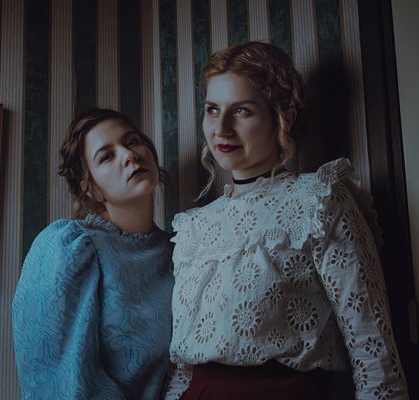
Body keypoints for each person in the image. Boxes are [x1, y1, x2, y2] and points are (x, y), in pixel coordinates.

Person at [165, 42, 408, 399]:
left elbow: (373, 356)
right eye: (212, 110)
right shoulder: (191, 228)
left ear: (285, 115)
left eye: (241, 111)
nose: (221, 129)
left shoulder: (318, 200)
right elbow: (182, 369)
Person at [12, 108, 174, 399]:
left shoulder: (181, 250)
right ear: (91, 188)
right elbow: (57, 380)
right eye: (106, 156)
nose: (129, 155)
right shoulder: (69, 246)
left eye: (132, 141)